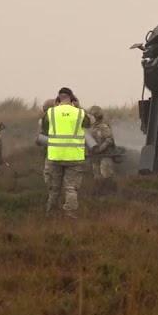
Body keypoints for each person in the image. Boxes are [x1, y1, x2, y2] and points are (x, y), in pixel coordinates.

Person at [40, 87, 90, 218]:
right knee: (71, 188)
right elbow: (89, 123)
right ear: (72, 99)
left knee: (54, 188)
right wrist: (78, 106)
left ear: (57, 99)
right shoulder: (79, 113)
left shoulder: (50, 113)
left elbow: (44, 129)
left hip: (55, 156)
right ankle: (70, 213)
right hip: (74, 157)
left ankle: (51, 213)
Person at [87, 106, 118, 194]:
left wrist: (101, 149)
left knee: (106, 174)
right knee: (97, 176)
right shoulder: (91, 128)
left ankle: (110, 193)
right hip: (95, 156)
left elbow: (109, 139)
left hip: (105, 155)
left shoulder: (104, 127)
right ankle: (100, 193)